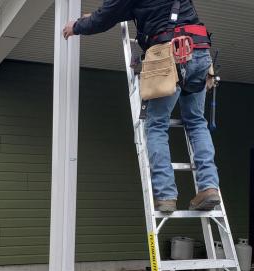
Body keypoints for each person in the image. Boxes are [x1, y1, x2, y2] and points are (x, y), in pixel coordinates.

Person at [63, 0, 221, 213]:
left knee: (156, 125)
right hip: (199, 49)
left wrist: (77, 26)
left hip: (168, 52)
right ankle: (209, 187)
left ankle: (166, 195)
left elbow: (106, 17)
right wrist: (98, 15)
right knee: (195, 121)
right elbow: (149, 8)